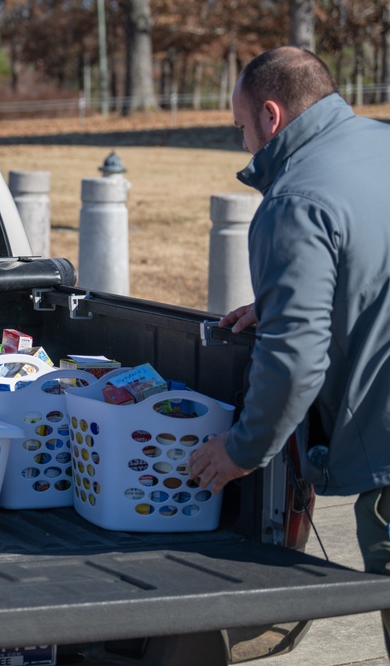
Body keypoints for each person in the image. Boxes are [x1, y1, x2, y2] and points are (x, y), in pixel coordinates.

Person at [188, 45, 390, 655]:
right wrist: (280, 302)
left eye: (242, 128)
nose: (245, 145)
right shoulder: (379, 145)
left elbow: (296, 357)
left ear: (271, 116)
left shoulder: (293, 201)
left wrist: (242, 450)